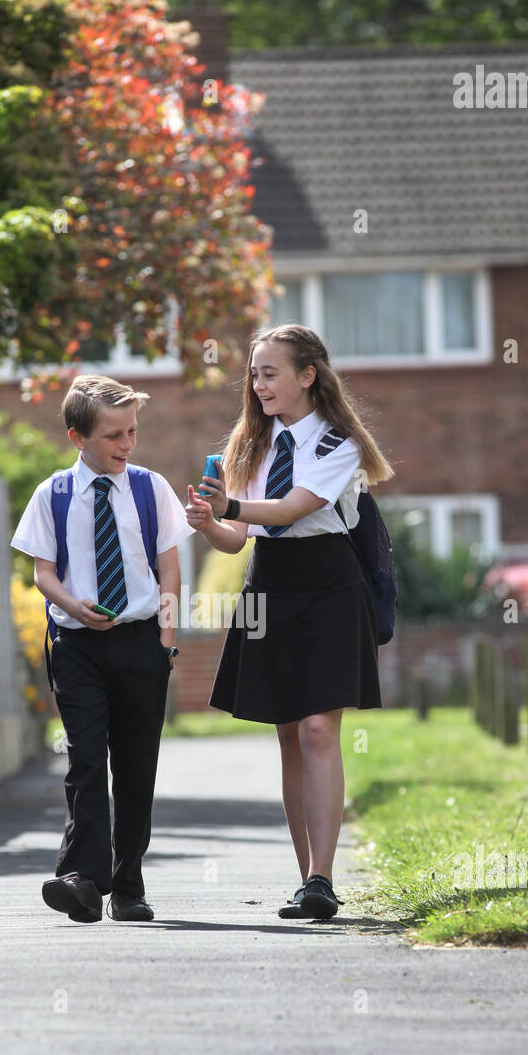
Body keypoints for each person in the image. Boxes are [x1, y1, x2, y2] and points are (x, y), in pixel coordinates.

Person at [186, 324, 394, 921]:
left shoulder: (337, 443)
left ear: (308, 375)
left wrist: (230, 506)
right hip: (269, 584)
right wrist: (209, 522)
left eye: (269, 372)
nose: (258, 384)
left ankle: (323, 879)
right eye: (254, 374)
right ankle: (305, 877)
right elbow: (240, 538)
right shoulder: (250, 444)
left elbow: (293, 507)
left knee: (318, 731)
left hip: (330, 587)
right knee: (287, 735)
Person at [11, 374, 193, 923]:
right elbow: (43, 573)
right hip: (77, 645)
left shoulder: (150, 488)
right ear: (77, 436)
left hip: (142, 644)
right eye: (113, 435)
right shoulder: (53, 495)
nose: (126, 444)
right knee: (86, 761)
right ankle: (83, 877)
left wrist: (166, 642)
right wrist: (74, 604)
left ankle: (128, 885)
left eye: (132, 432)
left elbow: (169, 571)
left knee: (136, 767)